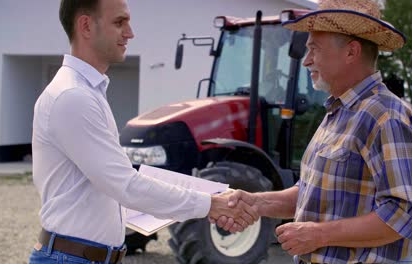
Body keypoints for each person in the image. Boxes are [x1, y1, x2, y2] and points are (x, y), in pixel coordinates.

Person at [29, 0, 256, 263]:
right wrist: (210, 204)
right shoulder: (73, 96)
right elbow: (125, 185)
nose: (130, 32)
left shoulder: (85, 92)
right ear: (86, 26)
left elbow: (119, 186)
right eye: (119, 22)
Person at [216, 0, 412, 263]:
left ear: (351, 52)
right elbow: (313, 191)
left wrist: (320, 235)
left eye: (314, 49)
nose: (306, 60)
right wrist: (256, 203)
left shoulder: (385, 115)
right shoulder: (339, 111)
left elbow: (406, 215)